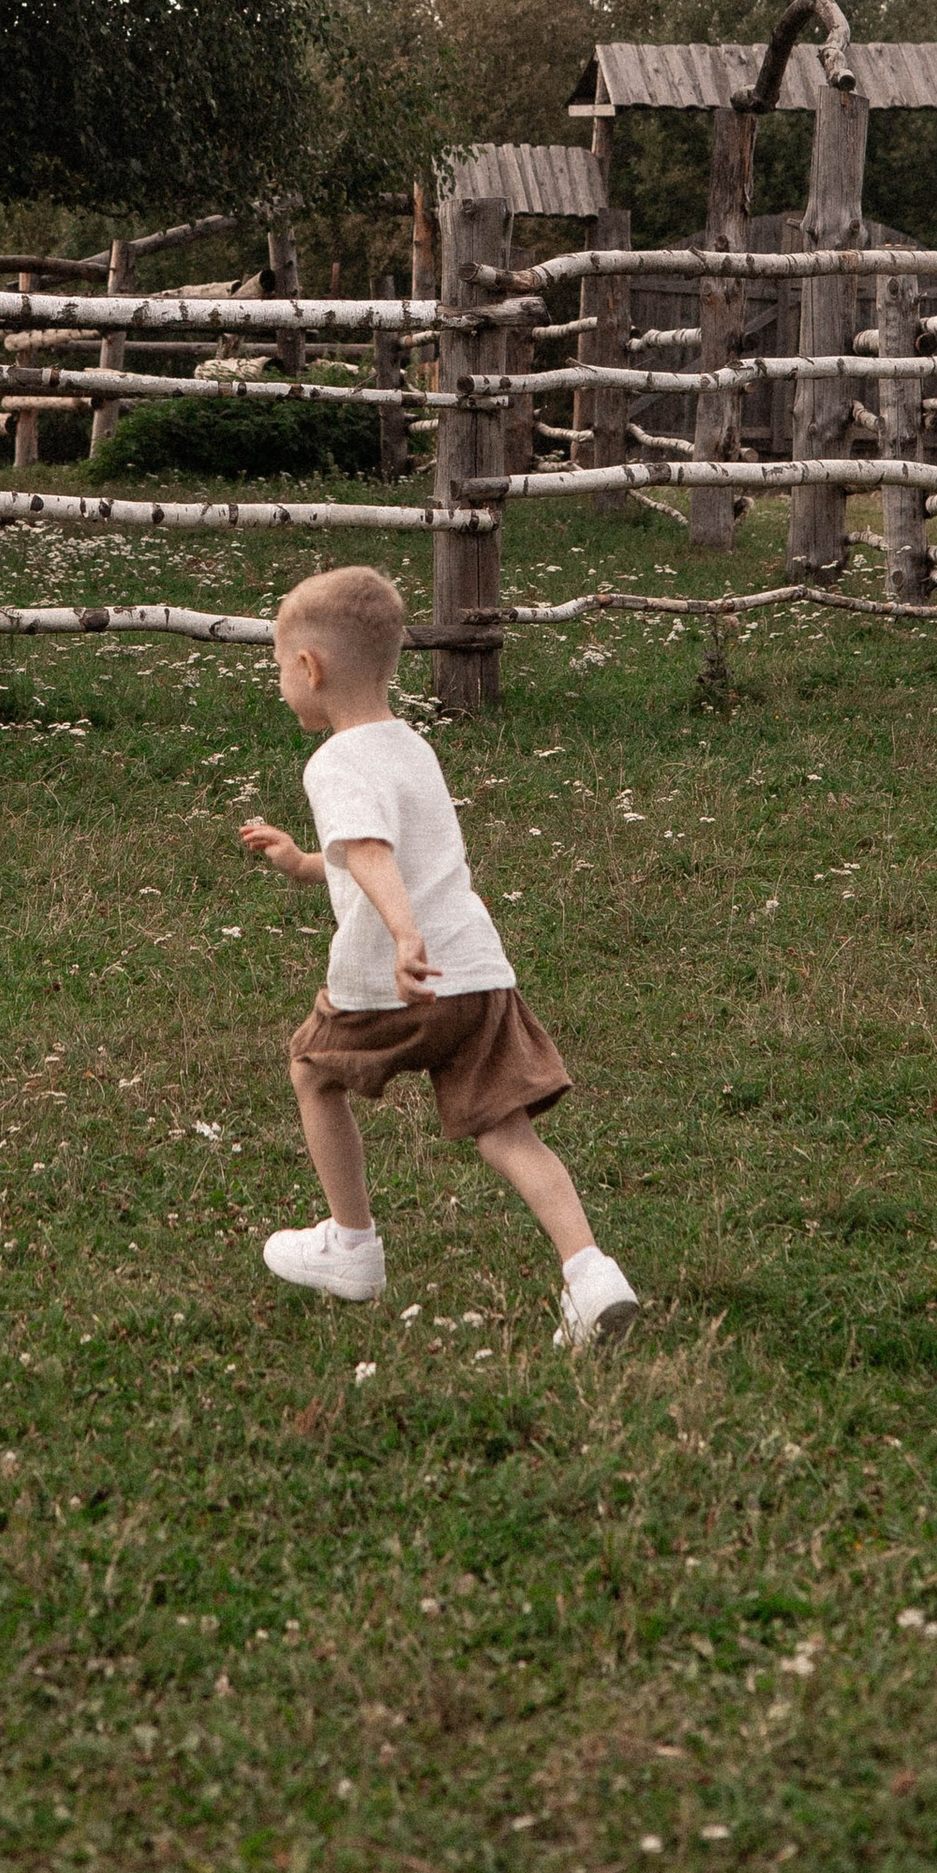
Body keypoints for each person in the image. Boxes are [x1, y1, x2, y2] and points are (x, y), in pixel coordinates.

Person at [237, 561, 639, 1351]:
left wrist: (403, 935)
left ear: (309, 667)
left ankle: (352, 1246)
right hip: (478, 975)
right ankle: (592, 1275)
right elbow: (373, 853)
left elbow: (373, 852)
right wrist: (302, 863)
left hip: (399, 980)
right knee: (508, 1133)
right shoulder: (410, 746)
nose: (281, 684)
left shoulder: (334, 762)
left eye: (280, 669)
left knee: (312, 1071)